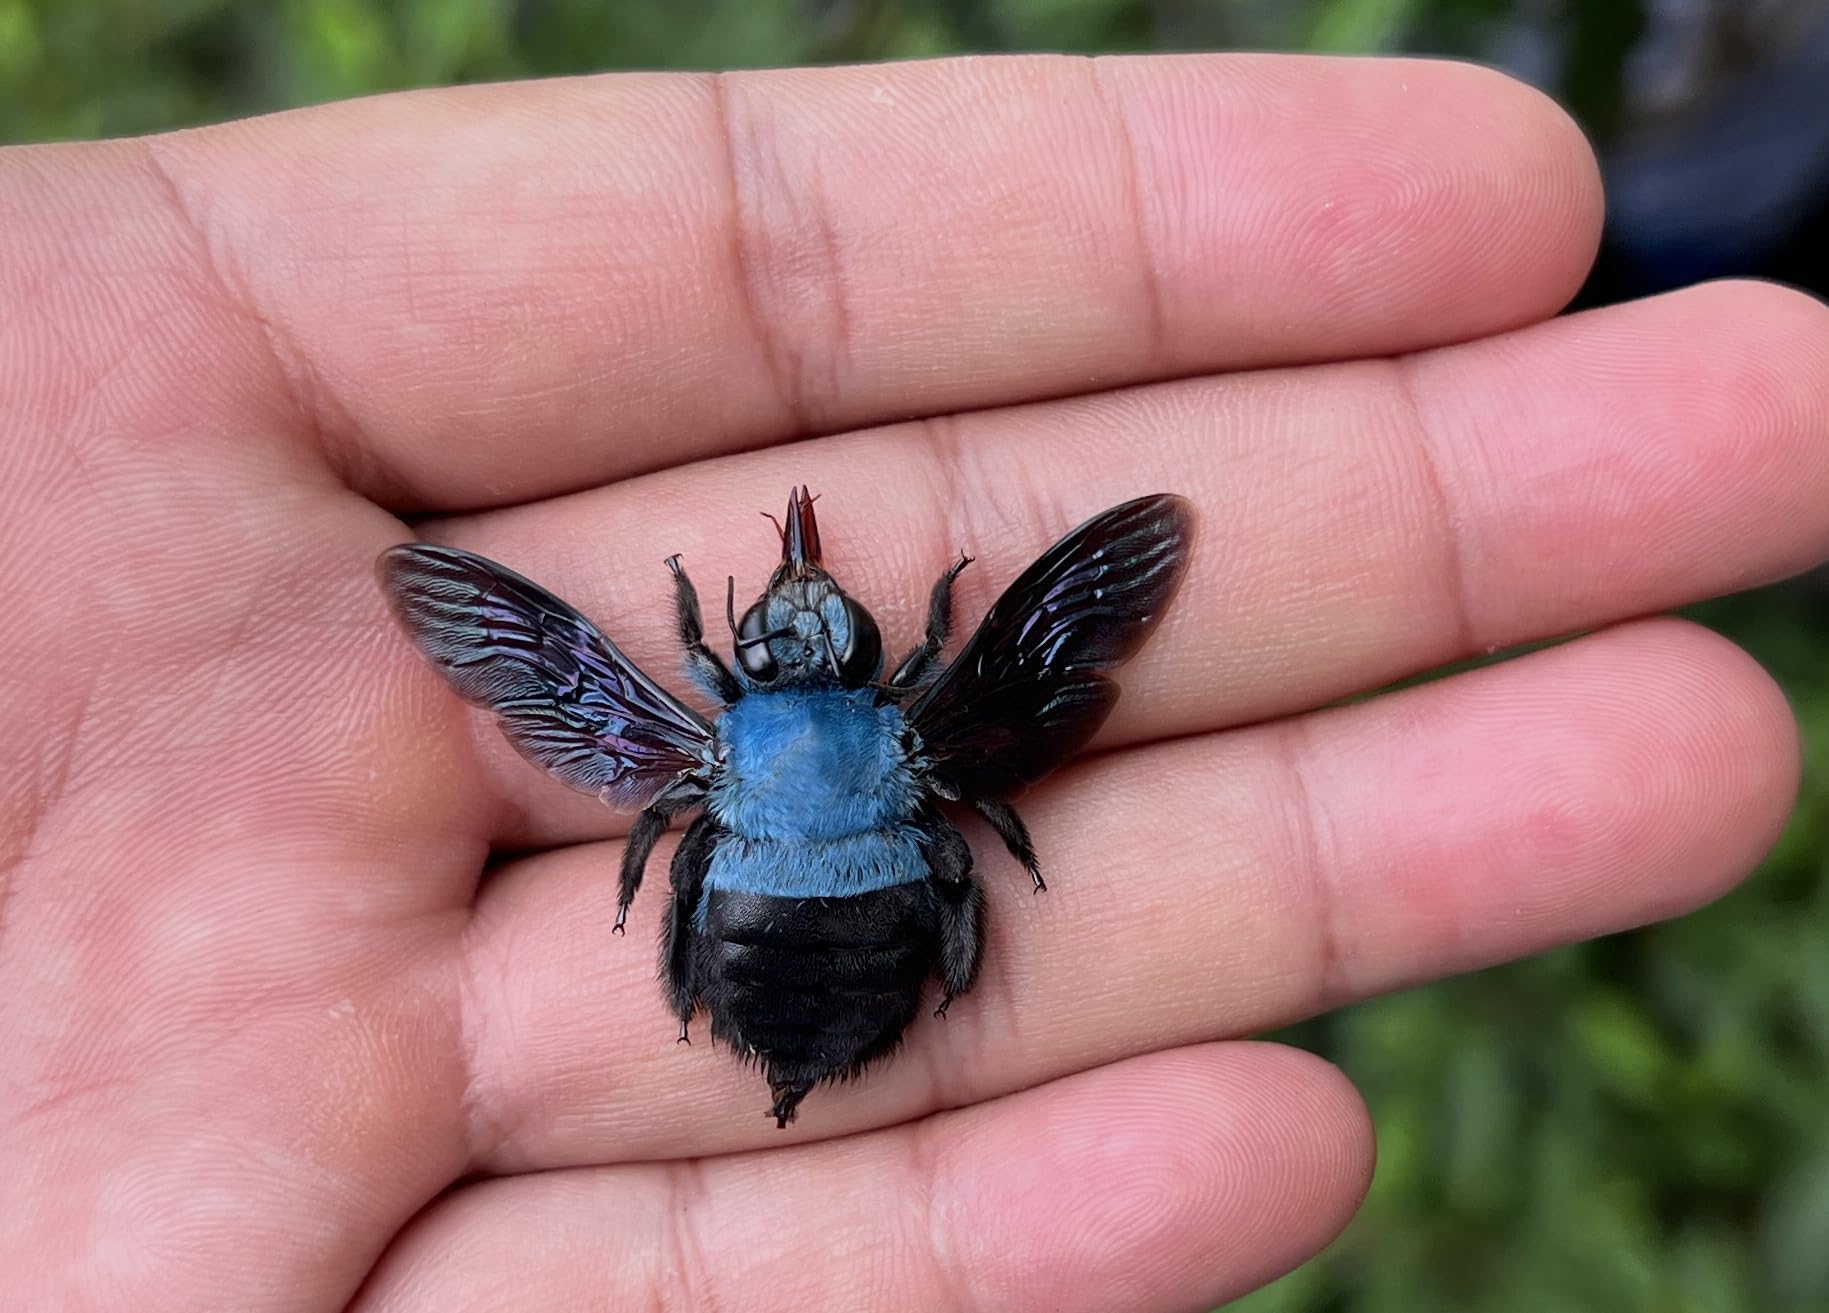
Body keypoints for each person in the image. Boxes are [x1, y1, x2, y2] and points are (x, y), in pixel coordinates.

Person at [3, 52, 1823, 1312]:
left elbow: (596, 723)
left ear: (734, 685)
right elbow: (1011, 700)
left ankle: (787, 1023)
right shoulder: (926, 727)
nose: (791, 636)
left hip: (797, 916)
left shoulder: (674, 733)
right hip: (862, 917)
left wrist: (702, 827)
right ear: (877, 675)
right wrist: (959, 845)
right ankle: (849, 1010)